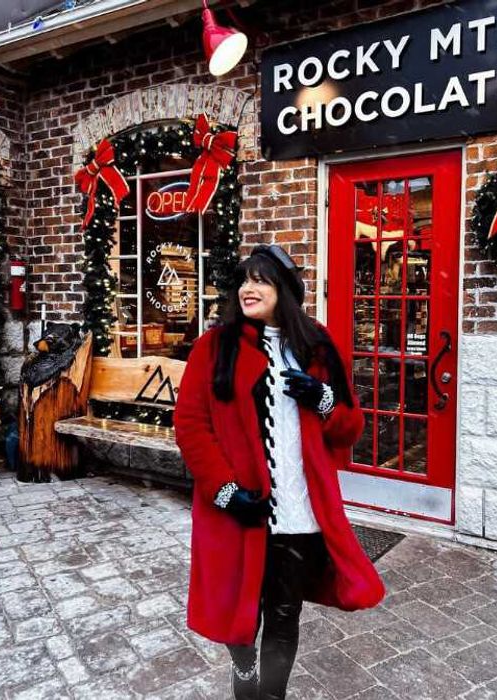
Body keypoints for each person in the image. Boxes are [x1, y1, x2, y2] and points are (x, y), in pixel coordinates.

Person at [173, 244, 385, 700]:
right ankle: (243, 667)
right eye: (244, 280)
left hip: (299, 513)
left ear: (284, 289)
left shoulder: (316, 345)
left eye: (261, 280)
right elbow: (191, 426)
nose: (248, 289)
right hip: (237, 509)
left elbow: (351, 426)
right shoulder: (215, 347)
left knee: (284, 616)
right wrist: (226, 492)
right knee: (238, 613)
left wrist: (324, 400)